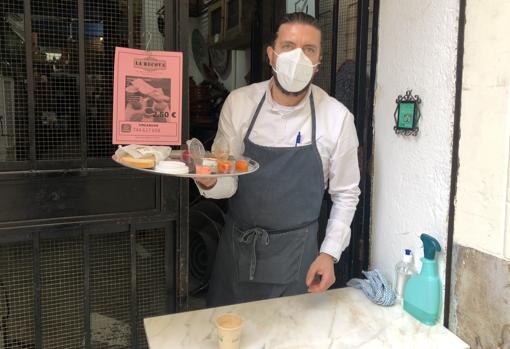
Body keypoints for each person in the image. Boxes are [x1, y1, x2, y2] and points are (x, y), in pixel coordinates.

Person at [195, 12, 360, 307]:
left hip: (298, 258)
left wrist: (329, 253)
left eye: (309, 50)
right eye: (288, 46)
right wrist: (209, 182)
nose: (298, 57)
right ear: (272, 55)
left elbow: (346, 194)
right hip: (238, 250)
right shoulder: (240, 103)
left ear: (318, 62)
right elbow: (226, 179)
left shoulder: (337, 119)